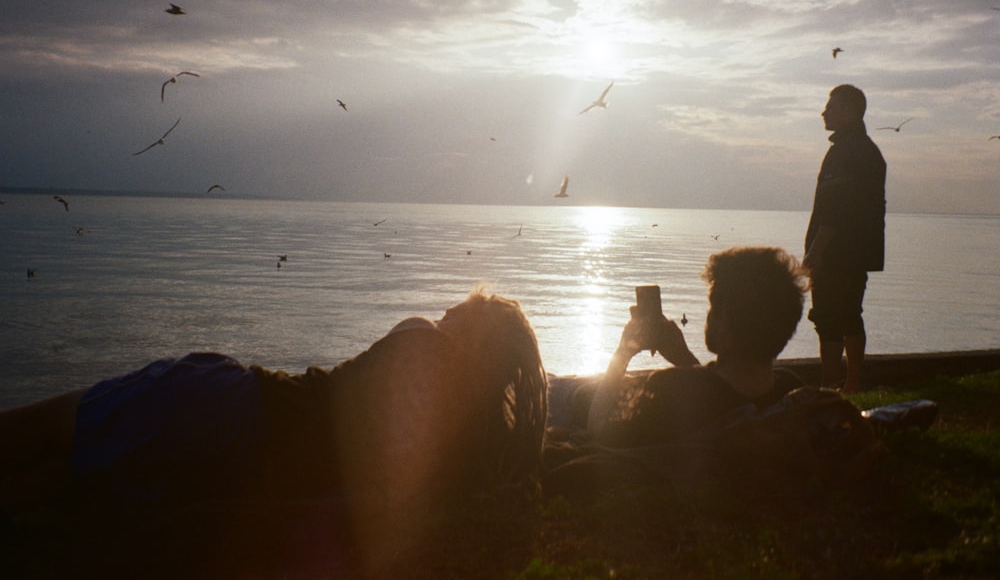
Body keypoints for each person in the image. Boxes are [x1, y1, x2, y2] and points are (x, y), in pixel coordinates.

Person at [0, 288, 548, 576]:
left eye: (453, 309)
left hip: (227, 404)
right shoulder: (463, 448)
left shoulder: (423, 340)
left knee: (45, 428)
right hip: (240, 465)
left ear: (465, 332)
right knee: (62, 475)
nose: (441, 312)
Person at [586, 246, 808, 449]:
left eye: (712, 308)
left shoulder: (672, 389)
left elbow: (597, 429)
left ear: (724, 322)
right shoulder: (789, 394)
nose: (708, 315)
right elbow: (727, 397)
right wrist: (683, 357)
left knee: (580, 397)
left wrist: (623, 353)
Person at [804, 84, 887, 393]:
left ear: (850, 112)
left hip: (840, 252)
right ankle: (843, 384)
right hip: (854, 251)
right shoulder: (859, 149)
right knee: (843, 315)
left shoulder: (850, 152)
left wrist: (816, 251)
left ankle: (837, 384)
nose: (824, 112)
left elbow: (837, 208)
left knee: (832, 315)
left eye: (831, 107)